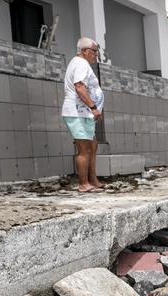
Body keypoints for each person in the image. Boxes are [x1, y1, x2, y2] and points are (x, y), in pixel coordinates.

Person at [62, 37, 104, 192]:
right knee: (84, 148)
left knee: (92, 145)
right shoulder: (80, 64)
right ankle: (83, 184)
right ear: (86, 51)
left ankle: (93, 180)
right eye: (95, 51)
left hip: (83, 113)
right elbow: (79, 87)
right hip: (78, 112)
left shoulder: (80, 63)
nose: (96, 55)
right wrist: (93, 107)